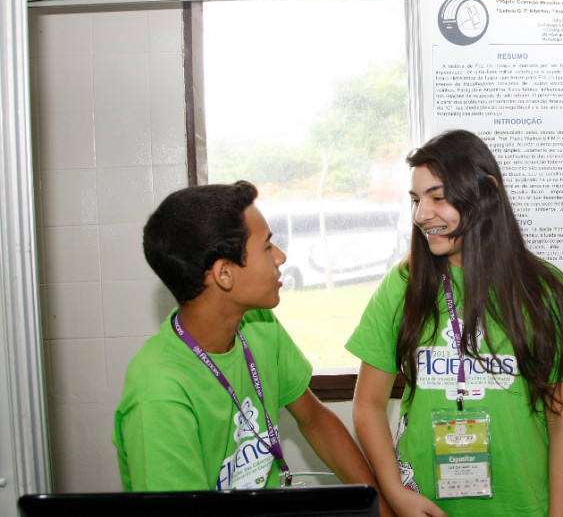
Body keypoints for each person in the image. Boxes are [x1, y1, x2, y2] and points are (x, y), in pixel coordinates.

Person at [346, 129, 563, 516]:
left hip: (525, 506)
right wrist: (395, 492)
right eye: (416, 200)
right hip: (426, 504)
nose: (421, 214)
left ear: (486, 193)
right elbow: (367, 404)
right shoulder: (404, 285)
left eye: (438, 197)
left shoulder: (545, 289)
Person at [112, 181, 389, 509]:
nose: (281, 257)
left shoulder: (258, 324)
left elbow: (316, 420)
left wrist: (381, 509)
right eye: (267, 246)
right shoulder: (159, 394)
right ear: (224, 274)